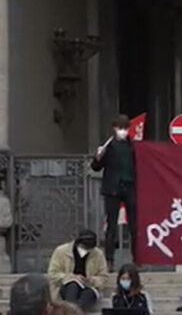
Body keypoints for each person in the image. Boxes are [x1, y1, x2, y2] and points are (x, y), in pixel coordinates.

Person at [91, 114, 137, 268]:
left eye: (125, 128)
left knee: (134, 225)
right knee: (111, 225)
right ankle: (109, 260)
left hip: (130, 187)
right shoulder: (108, 147)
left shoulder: (133, 146)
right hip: (112, 189)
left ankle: (137, 259)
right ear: (114, 128)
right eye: (120, 128)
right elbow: (96, 167)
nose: (122, 131)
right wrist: (98, 157)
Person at [48, 229, 109, 311]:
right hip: (66, 286)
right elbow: (53, 274)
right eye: (84, 247)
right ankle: (72, 310)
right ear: (77, 243)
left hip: (89, 287)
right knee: (73, 286)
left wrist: (91, 280)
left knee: (88, 294)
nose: (86, 250)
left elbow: (104, 277)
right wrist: (71, 277)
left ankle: (74, 311)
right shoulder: (61, 251)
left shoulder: (98, 254)